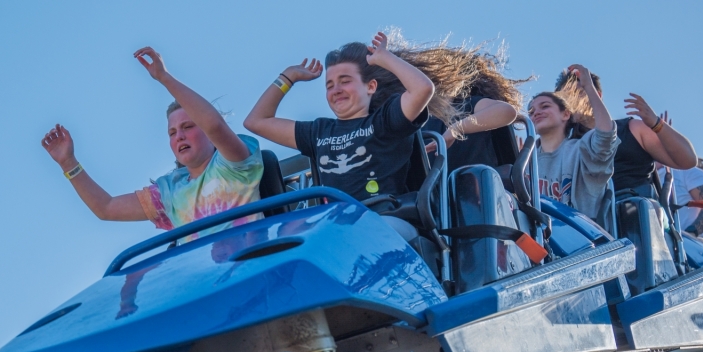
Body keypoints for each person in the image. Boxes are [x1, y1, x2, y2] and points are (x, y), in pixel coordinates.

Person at [41, 47, 264, 241]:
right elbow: (106, 208)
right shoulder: (170, 190)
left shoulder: (233, 165)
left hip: (250, 271)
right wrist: (69, 163)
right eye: (172, 132)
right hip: (205, 282)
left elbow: (214, 125)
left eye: (188, 127)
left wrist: (164, 78)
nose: (179, 136)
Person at [242, 32, 434, 202]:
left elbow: (422, 89)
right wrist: (288, 76)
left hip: (385, 221)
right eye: (330, 85)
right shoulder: (318, 132)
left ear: (370, 86)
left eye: (345, 81)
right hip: (338, 227)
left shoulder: (385, 121)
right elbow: (256, 121)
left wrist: (385, 58)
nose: (337, 90)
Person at [554, 70, 696, 197]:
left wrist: (655, 123)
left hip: (636, 216)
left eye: (578, 93)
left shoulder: (631, 129)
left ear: (597, 95)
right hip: (586, 221)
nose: (572, 102)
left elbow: (687, 160)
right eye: (565, 98)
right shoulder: (564, 147)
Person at [528, 65, 617, 219]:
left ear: (566, 114)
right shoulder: (526, 162)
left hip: (581, 236)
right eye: (531, 111)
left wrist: (588, 87)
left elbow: (605, 136)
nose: (536, 112)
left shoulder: (582, 149)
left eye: (545, 106)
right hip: (537, 237)